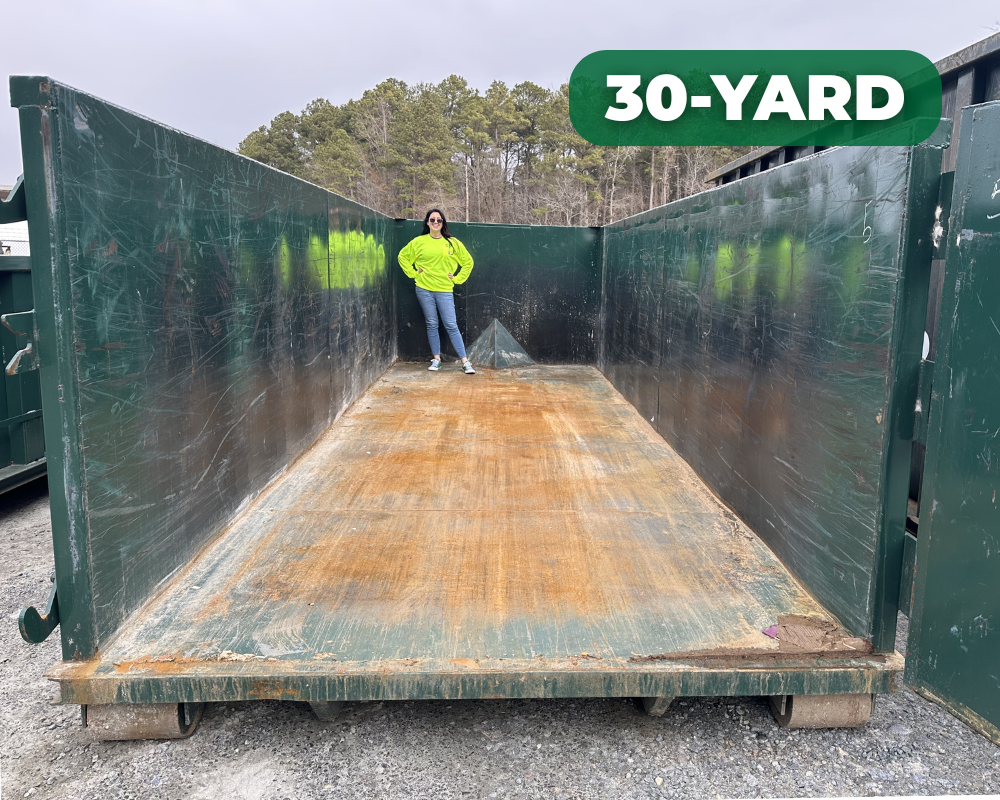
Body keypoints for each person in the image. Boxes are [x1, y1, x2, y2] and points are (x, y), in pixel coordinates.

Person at [397, 209, 476, 374]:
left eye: (438, 220)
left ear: (442, 223)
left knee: (451, 324)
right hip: (424, 289)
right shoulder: (419, 242)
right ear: (427, 222)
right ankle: (436, 359)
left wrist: (456, 278)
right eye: (432, 220)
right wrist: (413, 273)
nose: (435, 223)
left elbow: (468, 261)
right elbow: (402, 256)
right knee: (432, 323)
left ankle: (465, 362)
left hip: (444, 289)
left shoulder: (452, 243)